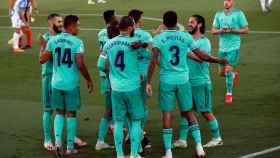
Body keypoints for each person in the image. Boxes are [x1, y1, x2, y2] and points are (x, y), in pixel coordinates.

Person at [146, 11, 228, 158]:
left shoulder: (158, 38)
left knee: (167, 114)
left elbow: (153, 61)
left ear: (164, 23)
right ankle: (199, 147)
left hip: (167, 80)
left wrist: (147, 81)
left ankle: (168, 152)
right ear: (177, 22)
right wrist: (218, 60)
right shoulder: (185, 37)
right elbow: (201, 55)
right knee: (189, 112)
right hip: (184, 80)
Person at [40, 15, 93, 156]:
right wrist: (88, 79)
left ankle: (57, 143)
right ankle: (69, 146)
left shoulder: (52, 40)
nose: (79, 28)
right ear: (71, 26)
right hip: (71, 84)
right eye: (77, 25)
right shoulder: (77, 42)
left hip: (56, 83)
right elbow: (80, 64)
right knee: (71, 114)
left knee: (59, 113)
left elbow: (42, 59)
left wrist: (45, 47)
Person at [98, 16, 145, 158]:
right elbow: (148, 53)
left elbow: (101, 65)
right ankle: (133, 154)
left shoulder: (109, 43)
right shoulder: (134, 44)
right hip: (132, 87)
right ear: (130, 28)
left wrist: (112, 74)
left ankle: (119, 155)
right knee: (136, 120)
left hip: (116, 88)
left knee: (118, 121)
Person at [173, 15, 223, 149]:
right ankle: (182, 140)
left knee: (205, 111)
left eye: (192, 22)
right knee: (185, 111)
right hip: (186, 82)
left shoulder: (203, 41)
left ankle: (217, 137)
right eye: (188, 22)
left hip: (200, 82)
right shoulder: (187, 40)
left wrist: (185, 52)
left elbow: (203, 58)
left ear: (199, 25)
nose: (188, 24)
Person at [211, 0, 249, 103]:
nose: (226, 2)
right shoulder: (218, 14)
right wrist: (221, 30)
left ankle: (229, 93)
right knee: (221, 73)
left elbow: (246, 30)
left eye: (229, 0)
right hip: (222, 48)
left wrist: (232, 30)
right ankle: (232, 75)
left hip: (234, 47)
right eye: (225, 0)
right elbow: (213, 31)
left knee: (227, 70)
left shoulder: (239, 14)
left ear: (233, 2)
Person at [128, 9, 152, 154]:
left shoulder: (125, 35)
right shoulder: (145, 35)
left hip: (129, 76)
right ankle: (139, 137)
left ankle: (135, 135)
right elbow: (152, 51)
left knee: (129, 109)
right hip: (143, 74)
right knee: (141, 107)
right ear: (138, 20)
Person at [95, 10, 116, 151]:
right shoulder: (113, 39)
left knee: (111, 108)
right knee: (112, 109)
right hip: (112, 77)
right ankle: (101, 140)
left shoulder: (100, 33)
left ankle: (112, 129)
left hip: (104, 75)